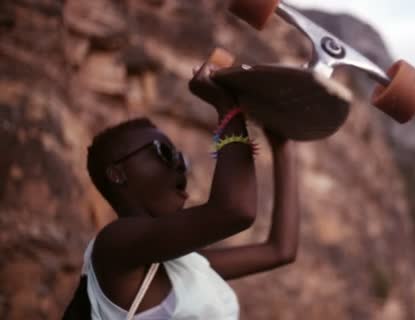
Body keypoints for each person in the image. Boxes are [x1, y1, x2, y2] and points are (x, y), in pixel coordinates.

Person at [62, 61, 300, 319]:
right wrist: (227, 107)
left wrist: (282, 144)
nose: (180, 166)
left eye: (181, 159)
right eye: (164, 153)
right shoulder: (114, 245)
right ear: (117, 174)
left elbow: (280, 250)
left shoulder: (184, 265)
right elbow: (235, 210)